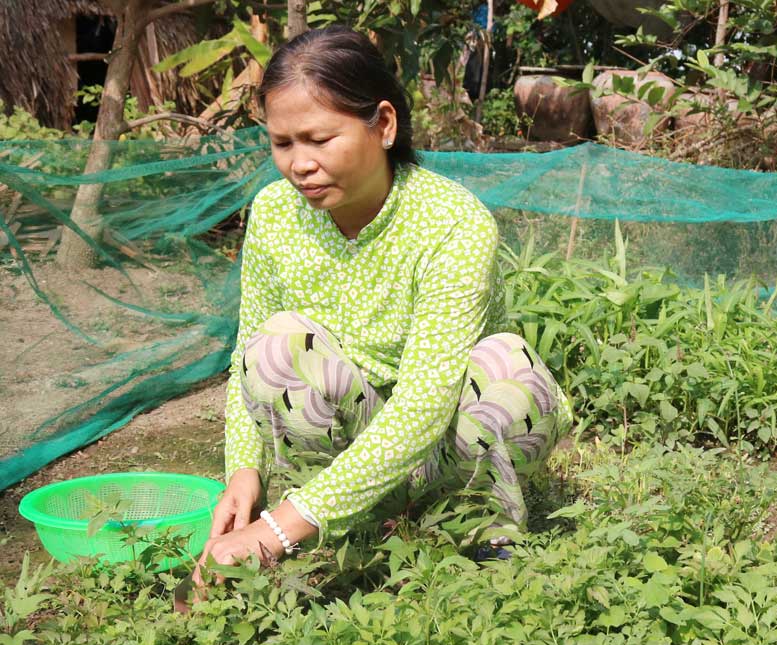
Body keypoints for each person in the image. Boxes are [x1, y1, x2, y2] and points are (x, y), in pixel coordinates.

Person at [196, 26, 572, 576]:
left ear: (385, 125)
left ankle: (481, 526)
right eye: (282, 143)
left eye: (320, 140)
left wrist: (277, 527)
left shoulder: (452, 223)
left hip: (451, 442)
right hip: (350, 439)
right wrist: (242, 473)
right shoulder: (275, 214)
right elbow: (243, 357)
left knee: (506, 367)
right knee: (272, 347)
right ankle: (354, 527)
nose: (299, 164)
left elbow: (426, 403)